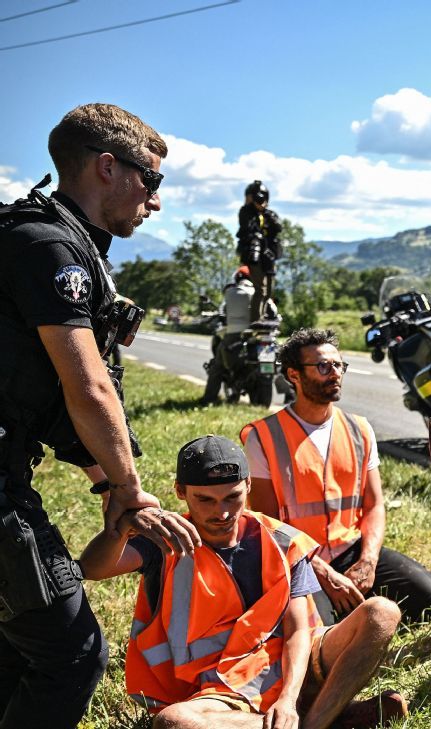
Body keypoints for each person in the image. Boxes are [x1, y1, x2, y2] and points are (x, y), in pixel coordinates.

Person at [0, 102, 201, 727]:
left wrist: (108, 488)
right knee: (73, 654)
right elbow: (86, 387)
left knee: (15, 650)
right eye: (153, 181)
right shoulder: (46, 246)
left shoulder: (55, 240)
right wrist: (130, 491)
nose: (157, 201)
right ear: (108, 168)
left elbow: (55, 405)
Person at [78, 435, 406, 728]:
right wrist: (121, 526)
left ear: (248, 486)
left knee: (382, 612)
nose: (221, 513)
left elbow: (296, 631)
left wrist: (288, 700)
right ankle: (329, 717)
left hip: (297, 667)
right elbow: (93, 568)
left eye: (232, 497)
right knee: (174, 722)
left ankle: (310, 721)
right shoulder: (165, 539)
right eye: (205, 500)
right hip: (223, 690)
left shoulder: (282, 541)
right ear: (181, 492)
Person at [241, 328, 431, 625]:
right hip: (300, 561)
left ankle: (357, 611)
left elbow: (374, 505)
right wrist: (324, 574)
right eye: (323, 366)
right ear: (294, 375)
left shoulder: (360, 429)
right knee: (317, 631)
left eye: (339, 365)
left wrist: (368, 560)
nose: (335, 373)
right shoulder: (263, 437)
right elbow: (267, 524)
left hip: (350, 551)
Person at [200, 266, 256, 405]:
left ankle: (209, 398)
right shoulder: (259, 292)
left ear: (238, 277)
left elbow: (224, 310)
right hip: (257, 335)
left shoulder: (233, 292)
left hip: (235, 333)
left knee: (217, 366)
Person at [236, 180, 283, 321]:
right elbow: (247, 227)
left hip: (268, 257)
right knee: (260, 290)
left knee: (268, 292)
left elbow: (278, 228)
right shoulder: (245, 212)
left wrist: (265, 211)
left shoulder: (270, 214)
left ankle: (262, 318)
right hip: (254, 255)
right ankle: (255, 321)